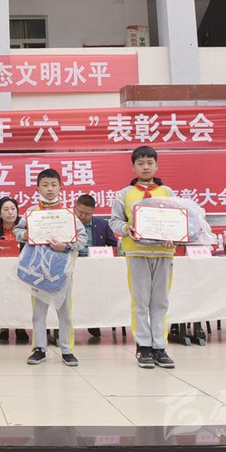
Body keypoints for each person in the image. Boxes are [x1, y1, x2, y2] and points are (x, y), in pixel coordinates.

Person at [108, 145, 177, 370]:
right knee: (140, 302)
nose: (145, 167)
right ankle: (143, 346)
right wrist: (125, 228)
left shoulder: (168, 192)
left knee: (160, 301)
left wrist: (174, 237)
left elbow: (178, 221)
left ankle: (160, 347)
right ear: (133, 167)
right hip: (136, 252)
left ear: (157, 165)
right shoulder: (124, 194)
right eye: (140, 163)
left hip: (164, 252)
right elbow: (114, 221)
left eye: (149, 163)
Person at [13, 168, 87, 367]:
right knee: (38, 312)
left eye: (54, 185)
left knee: (65, 311)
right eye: (45, 185)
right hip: (37, 270)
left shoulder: (68, 214)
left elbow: (82, 238)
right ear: (37, 189)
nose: (50, 189)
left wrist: (67, 246)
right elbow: (17, 231)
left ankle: (67, 350)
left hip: (62, 270)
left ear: (60, 188)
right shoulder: (31, 212)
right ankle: (39, 349)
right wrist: (30, 233)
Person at [74, 193, 118, 339]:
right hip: (72, 263)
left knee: (97, 292)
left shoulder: (102, 225)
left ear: (93, 212)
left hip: (95, 267)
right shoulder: (67, 223)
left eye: (87, 213)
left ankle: (94, 320)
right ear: (75, 208)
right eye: (80, 212)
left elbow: (114, 246)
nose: (83, 216)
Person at [0, 196, 29, 343]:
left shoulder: (24, 229)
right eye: (6, 209)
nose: (10, 212)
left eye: (13, 209)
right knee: (3, 294)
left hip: (21, 269)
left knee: (20, 296)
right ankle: (4, 326)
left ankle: (21, 327)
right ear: (0, 213)